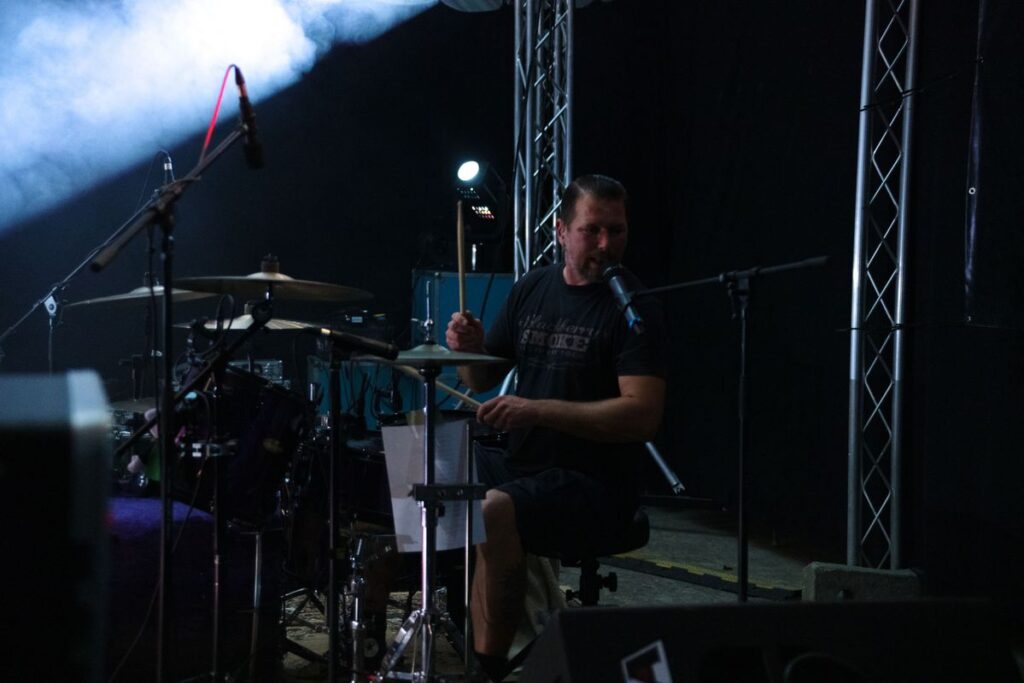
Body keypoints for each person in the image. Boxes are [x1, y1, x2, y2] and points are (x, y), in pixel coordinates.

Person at [445, 174, 668, 681]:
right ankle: (385, 615)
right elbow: (479, 378)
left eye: (616, 230)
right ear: (562, 231)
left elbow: (642, 415)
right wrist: (469, 348)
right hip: (526, 465)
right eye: (592, 230)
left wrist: (537, 410)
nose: (606, 244)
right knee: (428, 463)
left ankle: (488, 670)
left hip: (595, 482)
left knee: (493, 509)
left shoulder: (635, 310)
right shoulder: (533, 288)